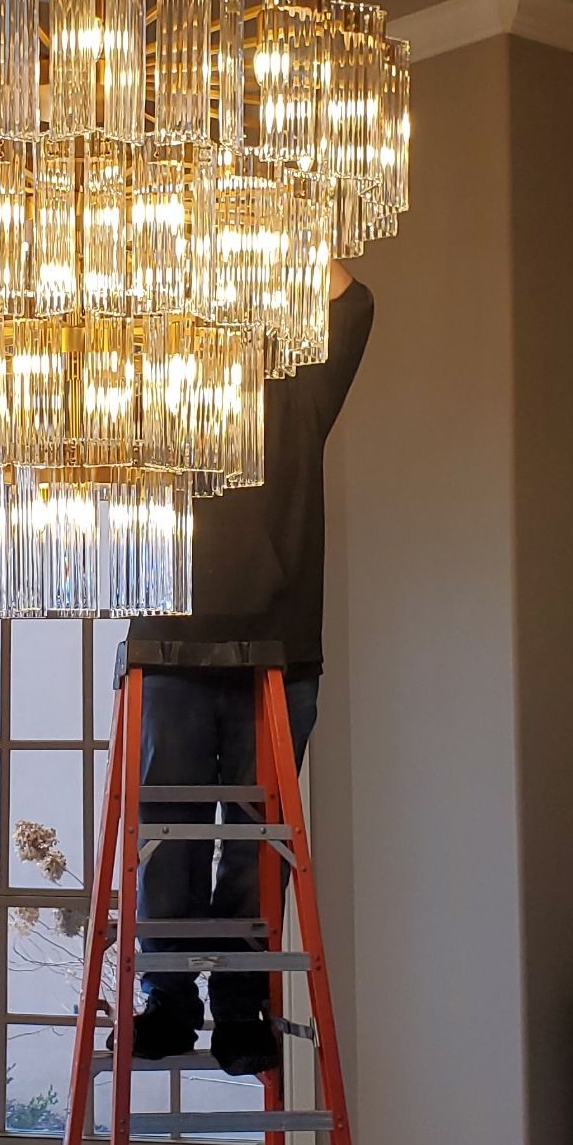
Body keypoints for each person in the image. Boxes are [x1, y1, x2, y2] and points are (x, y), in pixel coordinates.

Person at [134, 261, 374, 1075]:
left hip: (276, 649)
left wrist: (266, 212)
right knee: (164, 833)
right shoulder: (138, 387)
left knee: (251, 841)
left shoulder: (295, 383)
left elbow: (349, 298)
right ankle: (167, 1000)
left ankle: (241, 1008)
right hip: (165, 642)